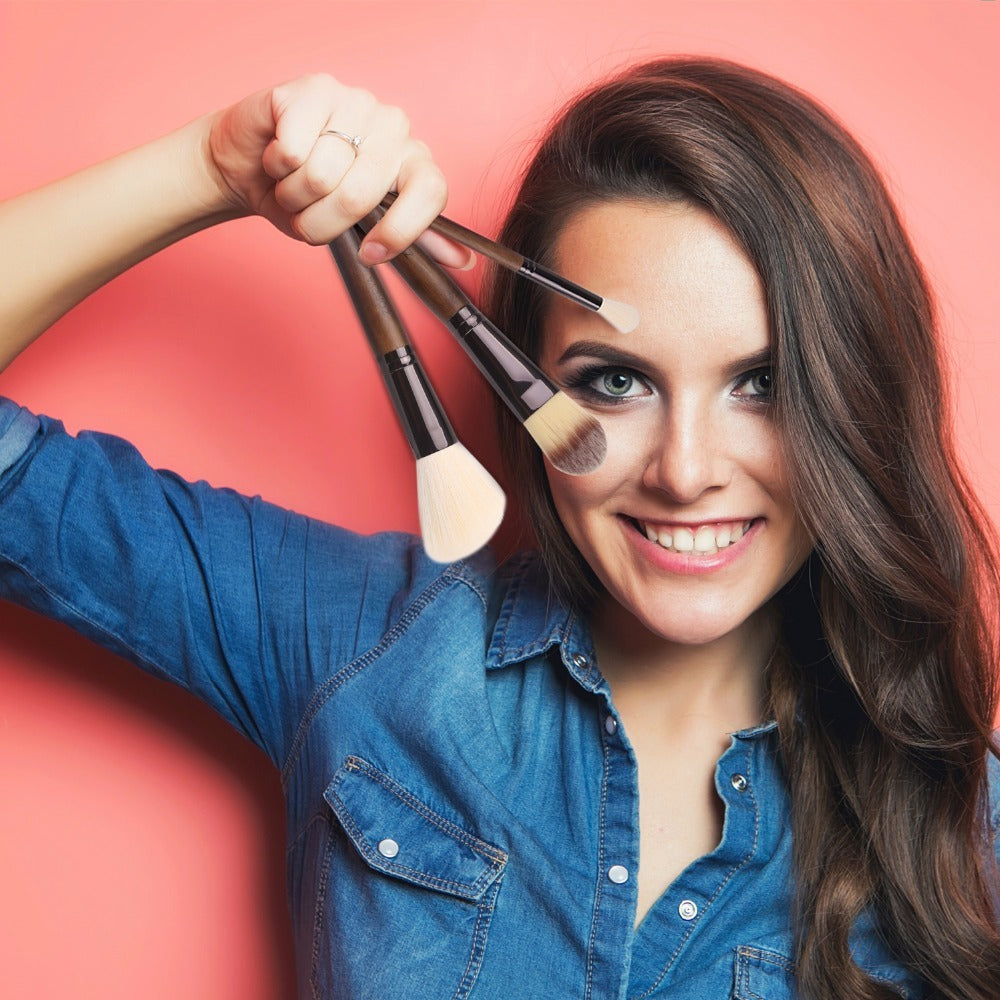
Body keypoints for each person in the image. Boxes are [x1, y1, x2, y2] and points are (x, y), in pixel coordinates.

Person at [1, 58, 998, 1000]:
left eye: (761, 385)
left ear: (857, 401)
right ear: (525, 387)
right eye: (616, 382)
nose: (686, 471)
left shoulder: (965, 819)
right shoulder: (372, 643)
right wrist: (211, 164)